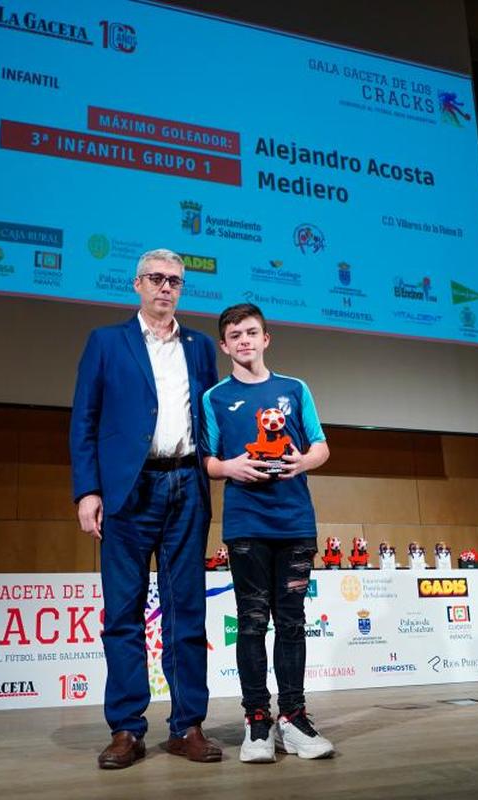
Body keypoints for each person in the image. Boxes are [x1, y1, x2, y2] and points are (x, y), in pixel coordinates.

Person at [69, 248, 221, 769]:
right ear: (137, 284)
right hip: (127, 493)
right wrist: (88, 491)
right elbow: (84, 421)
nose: (165, 288)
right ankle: (127, 730)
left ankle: (187, 726)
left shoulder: (201, 347)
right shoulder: (106, 342)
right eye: (155, 279)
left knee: (188, 612)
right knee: (123, 614)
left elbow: (208, 420)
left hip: (185, 487)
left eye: (174, 281)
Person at [200, 303, 335, 762]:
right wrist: (229, 466)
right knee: (253, 623)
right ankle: (257, 720)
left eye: (251, 332)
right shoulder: (215, 397)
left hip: (295, 523)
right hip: (246, 526)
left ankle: (293, 720)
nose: (244, 340)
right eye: (234, 335)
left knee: (292, 623)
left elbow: (321, 445)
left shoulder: (295, 389)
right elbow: (208, 459)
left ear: (266, 338)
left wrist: (303, 460)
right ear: (225, 345)